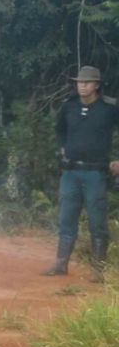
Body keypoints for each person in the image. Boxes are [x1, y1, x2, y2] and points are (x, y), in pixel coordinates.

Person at [41, 66, 119, 282]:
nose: (82, 85)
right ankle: (60, 264)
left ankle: (98, 270)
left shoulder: (109, 107)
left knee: (97, 220)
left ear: (97, 85)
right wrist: (62, 147)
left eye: (87, 82)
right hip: (71, 171)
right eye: (79, 82)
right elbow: (59, 130)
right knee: (66, 217)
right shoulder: (69, 106)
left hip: (95, 172)